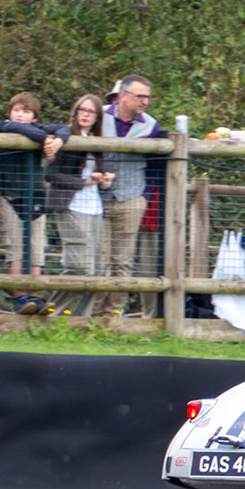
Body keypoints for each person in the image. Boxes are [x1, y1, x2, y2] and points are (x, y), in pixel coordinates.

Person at [0, 92, 67, 313]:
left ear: (34, 116)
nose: (20, 115)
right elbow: (24, 129)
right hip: (10, 196)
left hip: (35, 196)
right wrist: (45, 138)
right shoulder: (5, 127)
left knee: (36, 247)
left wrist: (57, 141)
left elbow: (64, 128)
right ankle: (20, 297)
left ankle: (34, 296)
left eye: (26, 111)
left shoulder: (39, 129)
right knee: (15, 247)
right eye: (16, 110)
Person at [45, 94, 114, 318]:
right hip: (71, 206)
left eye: (91, 111)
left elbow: (97, 176)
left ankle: (79, 321)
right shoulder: (65, 137)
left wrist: (105, 180)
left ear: (98, 117)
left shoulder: (97, 140)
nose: (85, 115)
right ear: (75, 113)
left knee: (95, 270)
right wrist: (83, 182)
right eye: (82, 110)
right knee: (80, 267)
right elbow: (50, 174)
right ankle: (52, 313)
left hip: (95, 208)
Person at [97, 74, 159, 315]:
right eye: (140, 96)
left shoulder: (151, 125)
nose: (145, 102)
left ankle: (114, 313)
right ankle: (94, 314)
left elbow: (155, 166)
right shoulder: (98, 114)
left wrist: (144, 196)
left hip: (132, 197)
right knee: (100, 258)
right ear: (122, 95)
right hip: (97, 198)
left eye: (148, 97)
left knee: (123, 260)